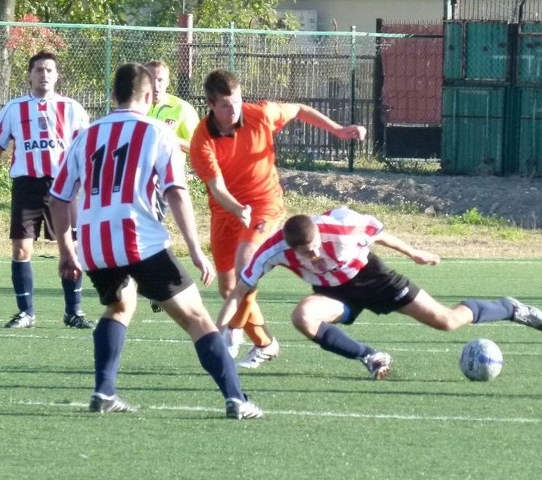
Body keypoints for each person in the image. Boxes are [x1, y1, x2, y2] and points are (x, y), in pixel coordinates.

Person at [47, 62, 263, 419]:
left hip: (96, 246)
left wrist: (67, 252)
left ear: (113, 95)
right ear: (148, 96)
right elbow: (176, 193)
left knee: (119, 307)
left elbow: (58, 198)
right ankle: (237, 398)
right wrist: (195, 249)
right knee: (197, 319)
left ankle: (104, 391)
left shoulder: (86, 134)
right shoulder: (158, 132)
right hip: (140, 241)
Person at [216, 206, 542, 379]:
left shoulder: (344, 226)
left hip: (373, 278)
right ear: (291, 248)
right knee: (302, 316)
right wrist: (218, 331)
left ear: (319, 233)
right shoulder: (274, 251)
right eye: (306, 254)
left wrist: (414, 252)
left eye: (316, 248)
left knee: (447, 321)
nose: (314, 257)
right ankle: (370, 357)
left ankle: (509, 308)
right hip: (336, 295)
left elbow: (380, 233)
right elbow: (240, 290)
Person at [189, 69, 367, 369]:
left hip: (264, 204)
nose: (233, 109)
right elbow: (216, 188)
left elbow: (299, 110)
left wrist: (337, 130)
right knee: (228, 287)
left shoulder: (259, 114)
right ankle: (266, 344)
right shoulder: (202, 138)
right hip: (227, 212)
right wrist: (236, 209)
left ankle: (231, 334)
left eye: (236, 101)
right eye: (224, 105)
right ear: (210, 104)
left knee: (245, 266)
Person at [0, 50, 93, 330]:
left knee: (71, 249)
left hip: (62, 186)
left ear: (57, 75)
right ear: (29, 75)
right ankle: (26, 313)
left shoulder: (72, 108)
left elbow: (87, 149)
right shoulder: (14, 108)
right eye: (39, 70)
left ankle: (73, 311)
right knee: (21, 249)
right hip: (26, 185)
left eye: (49, 70)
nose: (44, 75)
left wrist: (89, 181)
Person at [145, 59, 200, 313]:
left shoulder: (181, 109)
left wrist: (170, 136)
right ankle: (154, 283)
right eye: (151, 78)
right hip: (135, 181)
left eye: (160, 79)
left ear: (167, 82)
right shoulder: (136, 106)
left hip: (164, 182)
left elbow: (198, 147)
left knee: (152, 230)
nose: (156, 85)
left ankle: (161, 284)